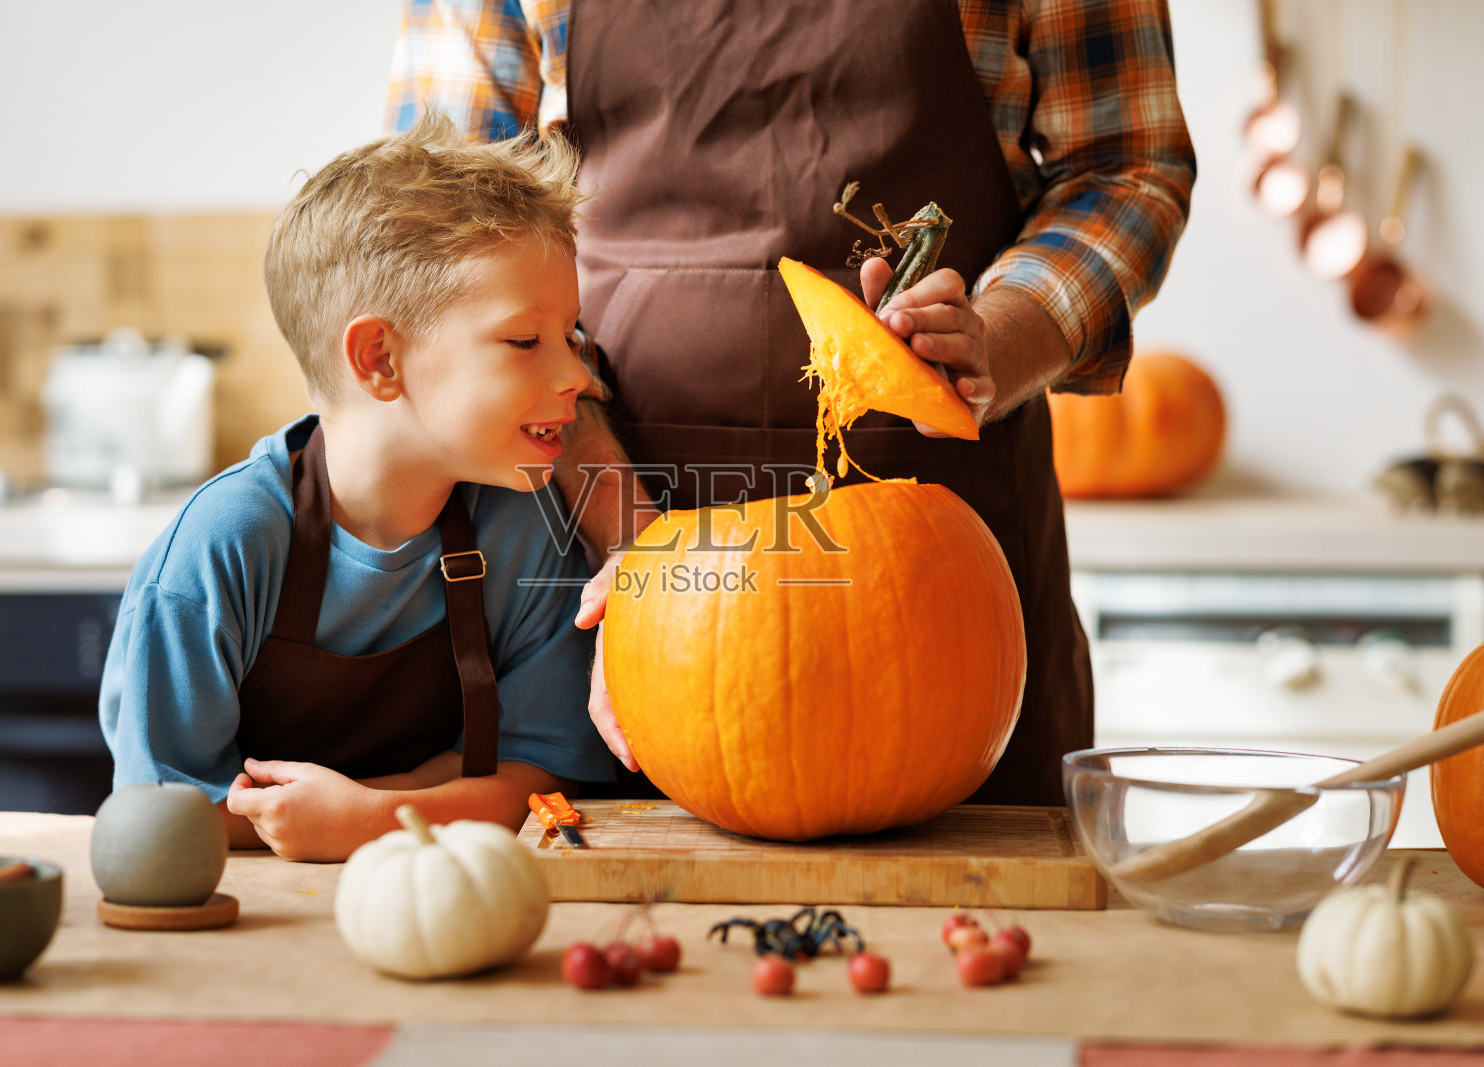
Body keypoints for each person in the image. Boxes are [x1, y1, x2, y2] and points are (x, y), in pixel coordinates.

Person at [387, 0, 1197, 805]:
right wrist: (634, 554)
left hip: (951, 560)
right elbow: (450, 233)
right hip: (617, 529)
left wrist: (999, 339)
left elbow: (1125, 168)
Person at [98, 115, 614, 861]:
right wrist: (418, 797)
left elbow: (542, 774)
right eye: (525, 341)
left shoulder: (524, 526)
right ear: (379, 359)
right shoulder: (221, 548)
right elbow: (163, 816)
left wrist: (372, 817)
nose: (576, 376)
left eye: (570, 337)